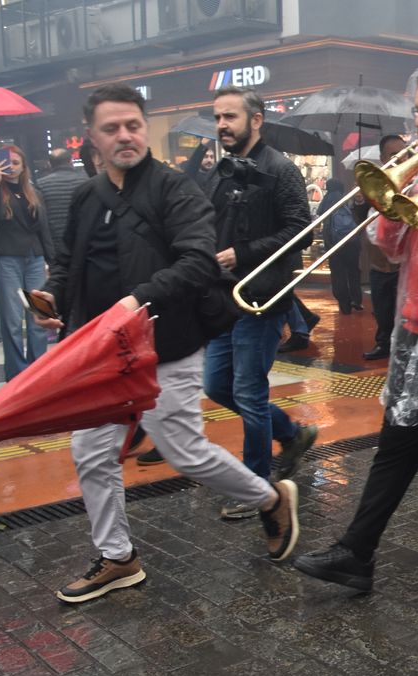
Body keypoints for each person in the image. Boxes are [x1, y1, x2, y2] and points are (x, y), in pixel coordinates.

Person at [31, 83, 298, 603]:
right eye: (112, 128)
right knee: (91, 452)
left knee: (184, 450)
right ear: (92, 137)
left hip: (164, 343)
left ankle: (269, 498)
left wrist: (136, 302)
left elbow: (198, 261)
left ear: (143, 127)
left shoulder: (175, 189)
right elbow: (69, 260)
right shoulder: (88, 196)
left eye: (133, 125)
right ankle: (117, 557)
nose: (125, 136)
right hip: (100, 348)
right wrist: (53, 295)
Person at [294, 63, 418, 591]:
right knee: (399, 444)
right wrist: (388, 200)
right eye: (417, 111)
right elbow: (390, 249)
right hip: (417, 325)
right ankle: (357, 551)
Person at [197, 86, 318, 518]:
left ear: (257, 119)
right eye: (218, 118)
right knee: (217, 385)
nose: (222, 125)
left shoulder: (280, 169)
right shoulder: (223, 170)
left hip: (262, 298)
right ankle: (292, 432)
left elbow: (300, 230)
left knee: (249, 391)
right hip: (225, 298)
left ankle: (256, 486)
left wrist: (243, 253)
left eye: (230, 116)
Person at [0, 144, 53, 380]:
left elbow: (44, 228)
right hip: (8, 258)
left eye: (15, 163)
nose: (10, 167)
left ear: (24, 167)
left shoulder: (34, 191)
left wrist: (51, 261)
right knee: (12, 320)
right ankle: (17, 373)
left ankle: (38, 370)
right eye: (6, 162)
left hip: (35, 258)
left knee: (39, 317)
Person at [362, 134, 407, 362]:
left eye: (403, 153)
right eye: (393, 155)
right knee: (381, 308)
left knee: (402, 311)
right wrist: (360, 202)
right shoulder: (373, 185)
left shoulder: (414, 182)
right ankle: (383, 343)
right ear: (382, 158)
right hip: (379, 263)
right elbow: (364, 225)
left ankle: (400, 346)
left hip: (403, 265)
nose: (400, 159)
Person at [320, 178, 363, 315]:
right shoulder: (347, 199)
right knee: (353, 271)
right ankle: (356, 299)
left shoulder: (326, 200)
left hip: (334, 244)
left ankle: (344, 303)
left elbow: (319, 214)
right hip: (351, 242)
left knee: (338, 273)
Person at [35, 149, 87, 245]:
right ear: (70, 161)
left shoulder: (41, 184)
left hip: (56, 241)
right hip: (84, 239)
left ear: (50, 164)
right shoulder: (86, 180)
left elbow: (41, 218)